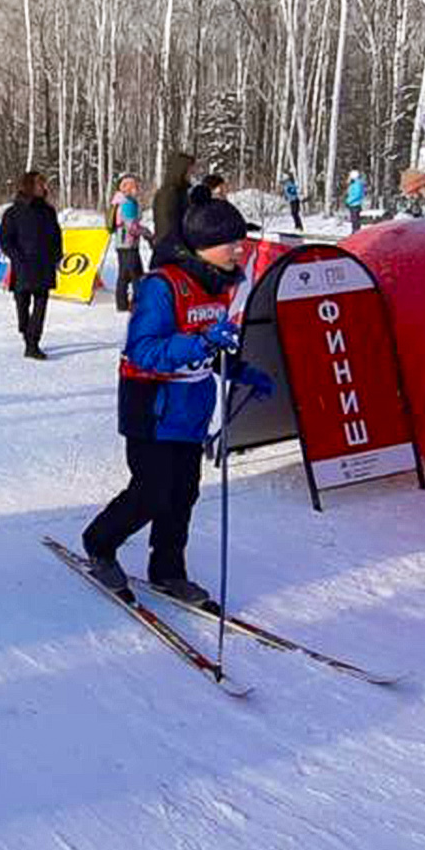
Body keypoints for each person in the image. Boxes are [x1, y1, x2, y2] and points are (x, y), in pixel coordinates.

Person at [80, 197, 274, 605]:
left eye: (242, 242)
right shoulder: (161, 285)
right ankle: (99, 542)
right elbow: (142, 350)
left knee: (183, 492)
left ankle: (168, 570)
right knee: (152, 491)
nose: (240, 250)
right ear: (204, 246)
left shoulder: (221, 283)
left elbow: (215, 348)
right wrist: (200, 341)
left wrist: (241, 371)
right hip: (151, 405)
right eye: (231, 244)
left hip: (191, 407)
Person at [0, 170, 62, 360]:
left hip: (44, 264)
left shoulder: (48, 211)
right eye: (40, 184)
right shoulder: (13, 212)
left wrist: (57, 257)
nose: (44, 188)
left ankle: (33, 343)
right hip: (23, 265)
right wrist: (17, 258)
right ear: (30, 186)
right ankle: (26, 331)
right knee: (22, 303)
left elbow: (56, 236)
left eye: (44, 184)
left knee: (41, 304)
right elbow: (5, 239)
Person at [109, 174, 147, 313]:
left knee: (124, 274)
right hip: (129, 244)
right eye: (133, 185)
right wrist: (147, 232)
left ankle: (122, 303)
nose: (136, 187)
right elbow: (132, 226)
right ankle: (138, 304)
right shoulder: (128, 203)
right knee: (136, 275)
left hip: (121, 243)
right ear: (125, 187)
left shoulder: (119, 201)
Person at [150, 152, 196, 251]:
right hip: (171, 250)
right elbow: (166, 226)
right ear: (180, 171)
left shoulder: (182, 192)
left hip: (182, 247)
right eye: (189, 171)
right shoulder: (168, 194)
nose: (191, 175)